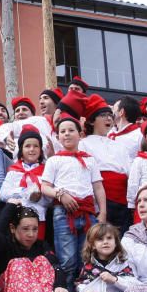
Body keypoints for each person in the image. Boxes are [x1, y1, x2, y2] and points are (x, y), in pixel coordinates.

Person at [40, 116, 107, 282]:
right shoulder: (54, 160)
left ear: (80, 134)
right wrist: (60, 195)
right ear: (58, 137)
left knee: (87, 256)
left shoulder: (89, 160)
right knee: (67, 257)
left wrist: (103, 212)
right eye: (62, 131)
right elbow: (44, 187)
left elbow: (98, 187)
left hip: (88, 212)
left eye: (71, 130)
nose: (67, 134)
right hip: (63, 213)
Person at [0, 203, 70, 292]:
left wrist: (60, 285)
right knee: (20, 263)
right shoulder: (5, 243)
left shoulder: (41, 246)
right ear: (12, 228)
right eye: (25, 229)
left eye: (35, 229)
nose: (31, 234)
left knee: (43, 261)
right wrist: (10, 206)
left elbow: (55, 265)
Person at [81, 95, 134, 235]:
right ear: (92, 121)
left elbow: (130, 173)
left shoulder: (120, 146)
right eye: (103, 115)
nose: (109, 118)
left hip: (123, 201)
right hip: (102, 199)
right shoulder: (84, 144)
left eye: (110, 115)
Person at [67, 223, 137, 292]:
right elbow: (80, 284)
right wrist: (84, 291)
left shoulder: (123, 264)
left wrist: (115, 280)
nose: (105, 242)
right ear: (93, 245)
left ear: (116, 242)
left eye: (109, 238)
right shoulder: (89, 266)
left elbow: (134, 286)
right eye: (100, 239)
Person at [0, 126, 51, 239]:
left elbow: (50, 200)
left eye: (36, 146)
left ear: (41, 150)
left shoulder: (46, 171)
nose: (32, 149)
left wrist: (39, 198)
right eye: (27, 146)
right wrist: (24, 192)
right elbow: (3, 194)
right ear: (21, 150)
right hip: (16, 218)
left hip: (38, 219)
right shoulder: (14, 171)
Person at [109, 96, 143, 160]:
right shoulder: (109, 132)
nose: (110, 112)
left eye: (113, 109)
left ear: (121, 112)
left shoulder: (139, 135)